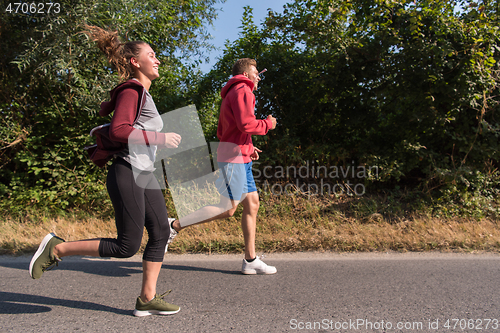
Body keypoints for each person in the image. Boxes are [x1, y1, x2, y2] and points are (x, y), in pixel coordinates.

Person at [28, 25, 182, 317]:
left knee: (161, 231)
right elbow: (120, 130)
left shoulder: (144, 95)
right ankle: (56, 249)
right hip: (127, 170)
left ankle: (147, 299)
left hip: (144, 172)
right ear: (136, 62)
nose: (158, 59)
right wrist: (161, 138)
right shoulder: (132, 90)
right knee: (127, 246)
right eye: (152, 55)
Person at [166, 58, 278, 275]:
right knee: (228, 208)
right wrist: (268, 124)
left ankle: (250, 259)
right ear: (246, 74)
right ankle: (173, 225)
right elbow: (246, 124)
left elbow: (233, 129)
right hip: (233, 158)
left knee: (252, 203)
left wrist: (248, 146)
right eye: (256, 72)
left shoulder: (235, 92)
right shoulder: (244, 90)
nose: (258, 76)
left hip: (239, 155)